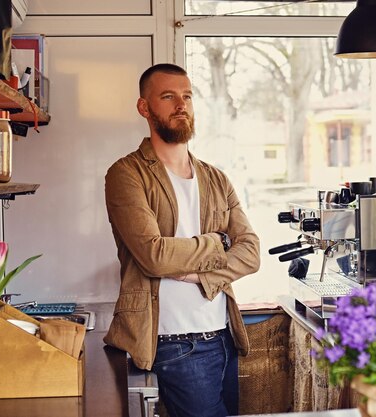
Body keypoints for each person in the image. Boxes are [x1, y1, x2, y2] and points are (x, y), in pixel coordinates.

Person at [104, 63, 260, 417]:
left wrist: (198, 274)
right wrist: (219, 243)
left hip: (224, 336)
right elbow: (154, 256)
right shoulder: (126, 174)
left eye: (187, 96)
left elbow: (251, 252)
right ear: (145, 107)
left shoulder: (216, 178)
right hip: (175, 344)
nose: (181, 105)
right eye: (168, 96)